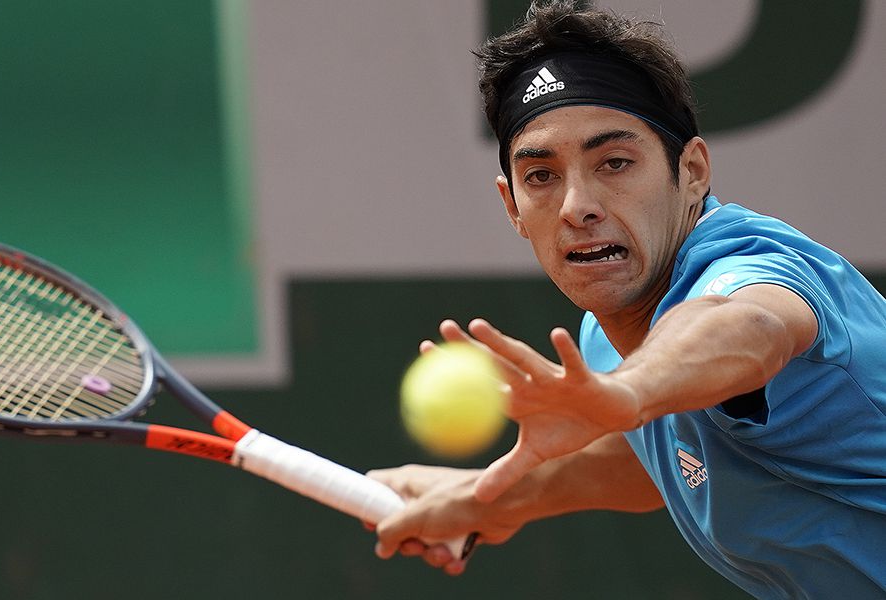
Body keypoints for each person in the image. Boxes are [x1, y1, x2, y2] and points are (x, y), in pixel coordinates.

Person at [368, 1, 886, 597]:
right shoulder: (606, 334)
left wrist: (628, 392)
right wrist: (488, 499)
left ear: (691, 172)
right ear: (512, 205)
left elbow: (749, 326)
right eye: (541, 176)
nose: (576, 205)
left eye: (614, 163)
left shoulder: (753, 271)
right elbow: (659, 460)